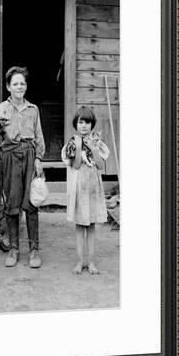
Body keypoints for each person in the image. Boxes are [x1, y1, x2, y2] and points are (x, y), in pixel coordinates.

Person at [0, 66, 45, 268]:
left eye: (22, 83)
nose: (19, 86)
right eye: (15, 83)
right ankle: (14, 249)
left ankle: (34, 251)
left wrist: (39, 159)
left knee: (31, 203)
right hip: (10, 156)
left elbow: (39, 136)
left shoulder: (33, 109)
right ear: (8, 87)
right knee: (12, 204)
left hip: (30, 155)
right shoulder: (2, 108)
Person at [61, 106, 110, 275]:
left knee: (90, 227)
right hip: (78, 188)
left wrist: (93, 148)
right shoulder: (72, 143)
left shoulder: (97, 142)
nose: (84, 126)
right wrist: (80, 146)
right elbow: (74, 164)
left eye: (87, 122)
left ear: (92, 124)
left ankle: (91, 262)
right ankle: (80, 261)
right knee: (80, 226)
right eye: (80, 122)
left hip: (93, 188)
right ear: (76, 124)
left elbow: (101, 165)